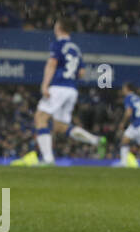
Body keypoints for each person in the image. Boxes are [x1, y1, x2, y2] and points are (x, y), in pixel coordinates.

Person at [13, 18, 101, 165]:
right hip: (72, 89)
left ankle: (48, 159)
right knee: (60, 126)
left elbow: (52, 64)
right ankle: (95, 140)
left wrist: (45, 85)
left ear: (58, 28)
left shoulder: (58, 44)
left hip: (58, 86)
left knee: (40, 118)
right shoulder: (76, 48)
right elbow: (82, 73)